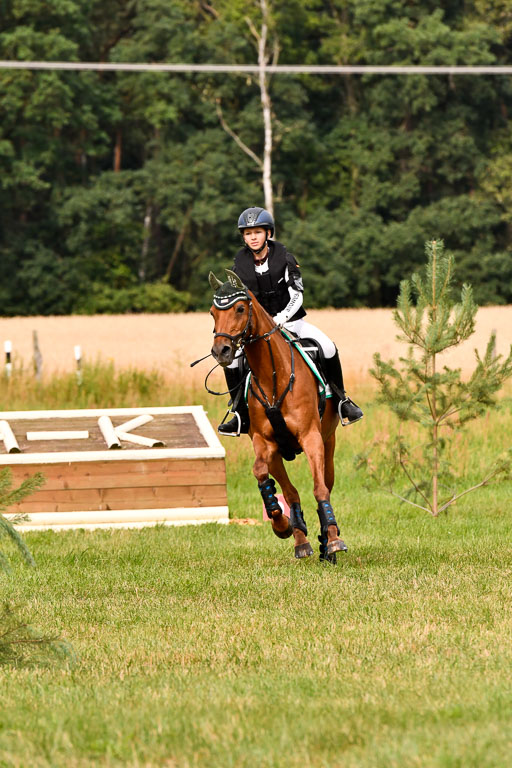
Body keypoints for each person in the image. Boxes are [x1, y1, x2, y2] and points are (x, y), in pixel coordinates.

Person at [218, 206, 363, 435]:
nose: (253, 237)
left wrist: (282, 317)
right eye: (248, 233)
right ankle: (239, 414)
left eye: (257, 232)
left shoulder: (284, 258)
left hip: (292, 322)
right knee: (233, 362)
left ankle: (342, 401)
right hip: (257, 331)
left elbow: (297, 293)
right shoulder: (239, 266)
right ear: (243, 237)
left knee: (327, 347)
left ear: (268, 233)